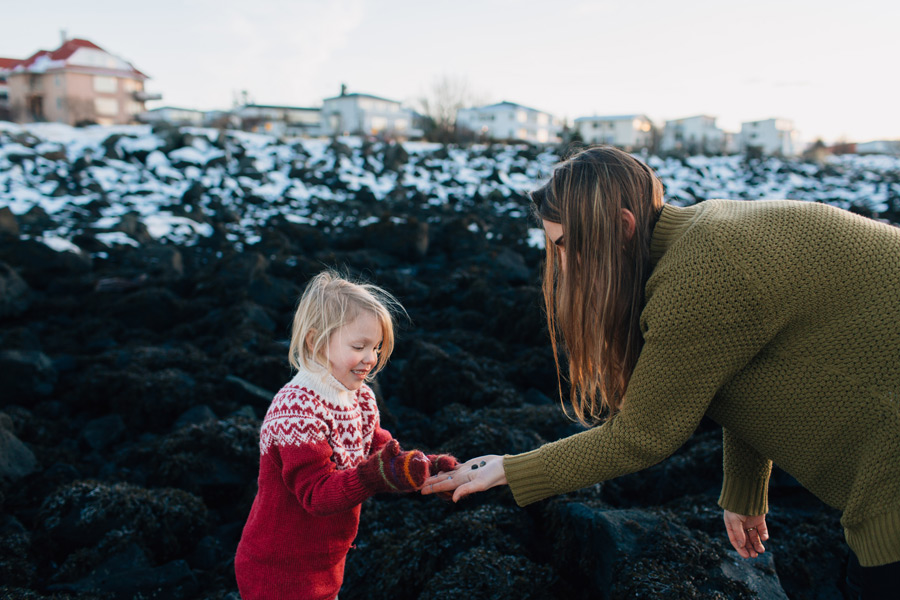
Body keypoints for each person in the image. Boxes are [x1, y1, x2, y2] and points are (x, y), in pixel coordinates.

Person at [422, 146, 900, 598]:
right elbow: (746, 366)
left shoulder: (703, 275)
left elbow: (643, 436)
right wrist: (745, 488)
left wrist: (510, 468)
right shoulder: (709, 231)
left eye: (567, 246)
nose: (563, 266)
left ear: (622, 226)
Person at [236, 271, 457, 600]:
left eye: (377, 347)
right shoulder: (295, 410)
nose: (371, 358)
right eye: (359, 346)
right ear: (316, 341)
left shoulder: (360, 397)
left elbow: (381, 452)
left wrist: (426, 467)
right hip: (277, 569)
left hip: (326, 561)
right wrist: (376, 475)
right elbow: (316, 494)